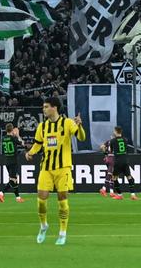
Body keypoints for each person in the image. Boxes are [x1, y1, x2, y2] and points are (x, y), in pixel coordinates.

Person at [25, 96, 87, 246]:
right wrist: (30, 153)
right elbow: (38, 144)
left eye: (46, 107)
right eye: (44, 107)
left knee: (62, 199)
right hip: (46, 167)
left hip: (63, 167)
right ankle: (43, 225)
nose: (44, 109)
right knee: (41, 200)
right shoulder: (42, 127)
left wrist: (79, 126)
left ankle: (62, 233)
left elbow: (81, 137)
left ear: (54, 108)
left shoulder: (67, 123)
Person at [104, 126, 137, 201]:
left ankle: (119, 195)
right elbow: (126, 149)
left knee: (114, 178)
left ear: (115, 131)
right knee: (129, 177)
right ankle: (133, 195)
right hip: (125, 160)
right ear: (121, 132)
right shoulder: (125, 140)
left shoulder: (112, 141)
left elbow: (110, 151)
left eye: (114, 131)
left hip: (118, 161)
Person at [0, 123, 26, 203]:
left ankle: (18, 197)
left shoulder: (3, 138)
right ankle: (1, 193)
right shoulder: (13, 138)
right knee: (13, 180)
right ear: (12, 129)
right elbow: (23, 144)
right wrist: (17, 135)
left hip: (7, 161)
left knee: (14, 179)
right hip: (13, 161)